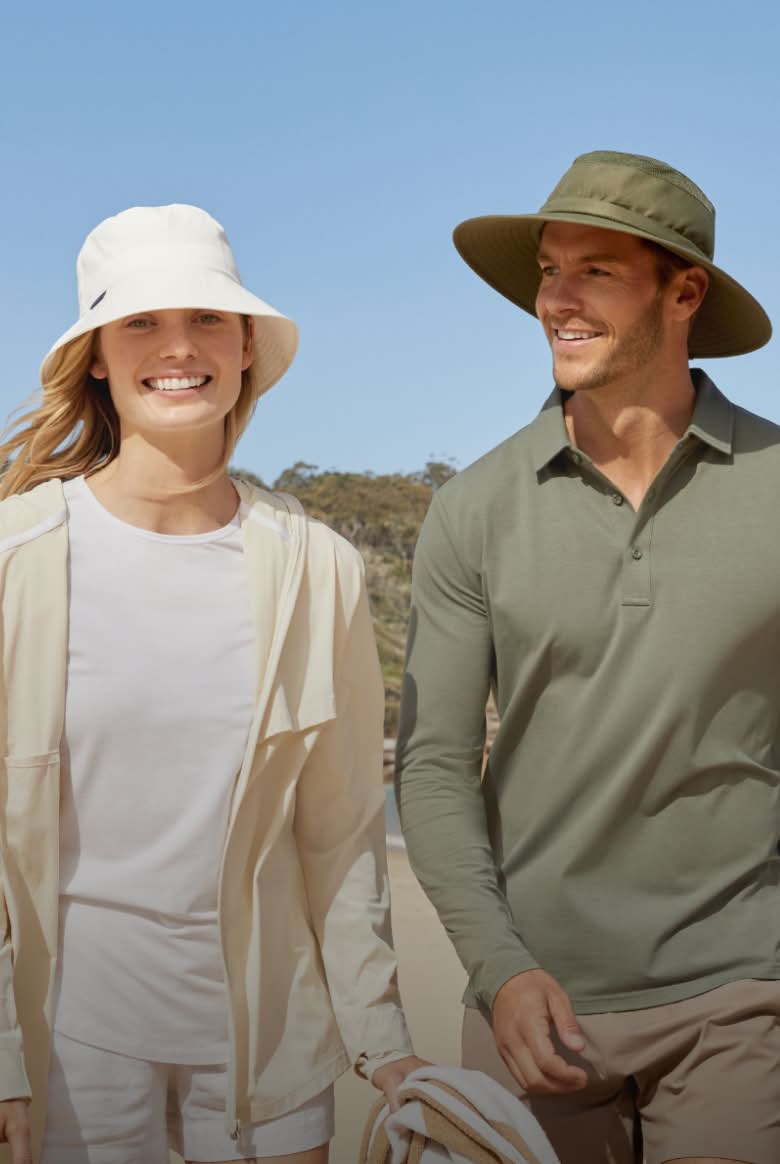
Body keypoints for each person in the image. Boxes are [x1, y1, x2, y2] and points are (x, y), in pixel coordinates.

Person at [0, 203, 424, 1164]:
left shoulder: (319, 567)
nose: (177, 346)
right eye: (141, 322)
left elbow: (344, 829)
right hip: (70, 1052)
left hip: (272, 1055)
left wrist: (384, 1041)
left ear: (243, 349)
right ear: (98, 357)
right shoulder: (16, 556)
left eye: (206, 320)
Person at [395, 150, 780, 1164]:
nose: (555, 300)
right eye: (548, 270)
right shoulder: (474, 509)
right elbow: (432, 770)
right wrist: (497, 968)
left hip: (744, 997)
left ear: (684, 290)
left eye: (596, 271)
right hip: (535, 1004)